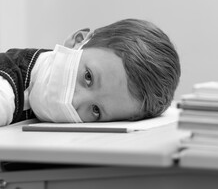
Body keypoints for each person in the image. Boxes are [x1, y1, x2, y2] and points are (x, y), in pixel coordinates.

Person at [0, 19, 181, 126]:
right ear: (77, 41)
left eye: (95, 110)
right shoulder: (5, 90)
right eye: (88, 77)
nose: (75, 101)